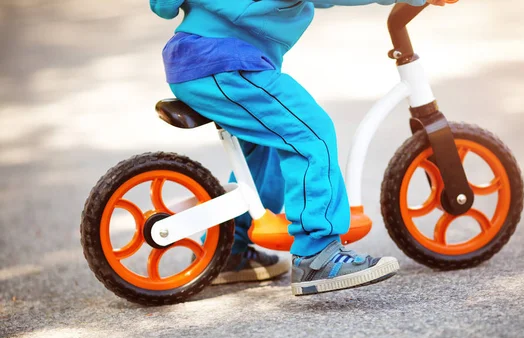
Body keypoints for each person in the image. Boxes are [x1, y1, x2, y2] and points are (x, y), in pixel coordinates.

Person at [151, 0, 444, 295]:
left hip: (196, 59)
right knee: (310, 135)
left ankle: (230, 250)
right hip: (226, 64)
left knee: (264, 151)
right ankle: (317, 256)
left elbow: (163, 6)